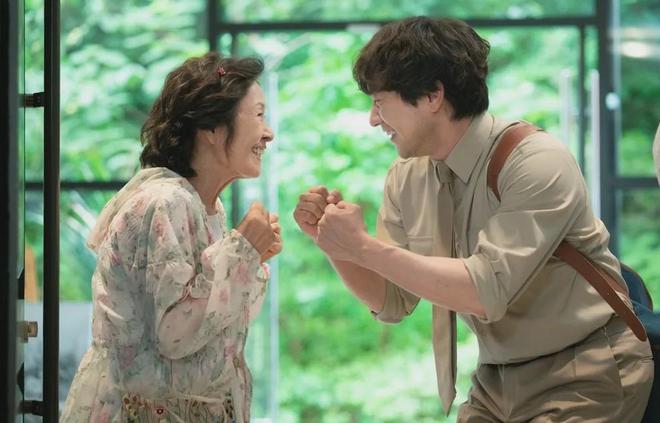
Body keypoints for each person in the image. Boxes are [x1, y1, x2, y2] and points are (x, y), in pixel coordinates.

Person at [294, 17, 654, 422]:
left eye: (379, 102)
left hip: (586, 367)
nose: (373, 119)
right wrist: (336, 246)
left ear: (432, 95)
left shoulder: (535, 161)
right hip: (496, 378)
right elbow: (392, 300)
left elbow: (484, 291)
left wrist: (362, 247)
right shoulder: (408, 175)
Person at [61, 52, 279, 423]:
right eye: (258, 115)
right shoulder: (165, 201)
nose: (268, 133)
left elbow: (216, 326)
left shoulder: (205, 206)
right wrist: (242, 253)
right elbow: (175, 335)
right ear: (212, 129)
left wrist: (251, 258)